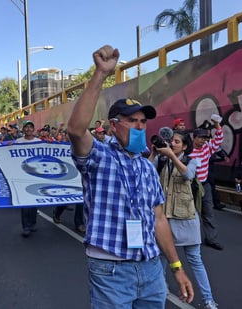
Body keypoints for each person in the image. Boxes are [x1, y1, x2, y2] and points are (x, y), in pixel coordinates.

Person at [66, 45, 194, 308]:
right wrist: (101, 75)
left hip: (151, 269)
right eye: (132, 121)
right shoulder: (99, 157)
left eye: (143, 122)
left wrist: (177, 267)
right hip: (111, 271)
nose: (140, 126)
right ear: (113, 125)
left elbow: (158, 219)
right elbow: (76, 130)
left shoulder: (148, 167)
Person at [150, 130, 218, 309]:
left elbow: (188, 175)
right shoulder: (162, 161)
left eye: (176, 141)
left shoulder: (193, 160)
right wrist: (154, 153)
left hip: (186, 217)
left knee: (195, 259)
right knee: (162, 257)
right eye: (171, 141)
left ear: (185, 146)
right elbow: (147, 172)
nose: (172, 144)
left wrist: (172, 156)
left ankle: (208, 299)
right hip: (166, 218)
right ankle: (162, 288)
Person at [189, 121, 224, 251]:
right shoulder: (187, 150)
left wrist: (217, 125)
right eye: (200, 138)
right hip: (190, 186)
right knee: (190, 213)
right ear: (194, 138)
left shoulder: (207, 148)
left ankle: (211, 239)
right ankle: (190, 238)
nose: (203, 140)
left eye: (204, 138)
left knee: (208, 213)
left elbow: (219, 139)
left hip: (204, 186)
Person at [15, 120, 42, 237]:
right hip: (22, 175)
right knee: (25, 202)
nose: (29, 129)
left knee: (34, 200)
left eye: (31, 127)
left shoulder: (39, 142)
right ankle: (25, 226)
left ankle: (33, 223)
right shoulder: (18, 141)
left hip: (35, 175)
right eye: (26, 127)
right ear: (23, 129)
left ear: (33, 129)